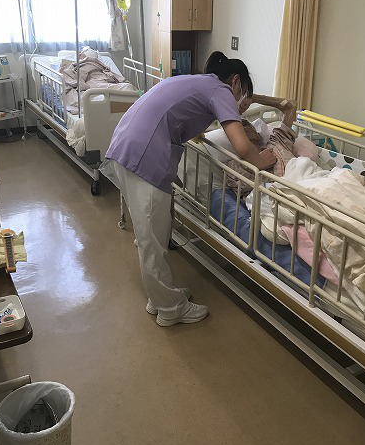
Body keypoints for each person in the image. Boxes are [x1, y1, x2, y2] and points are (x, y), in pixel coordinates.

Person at [101, 51, 276, 327]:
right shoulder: (220, 90)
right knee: (152, 241)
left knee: (152, 235)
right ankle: (170, 309)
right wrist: (263, 161)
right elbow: (243, 147)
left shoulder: (197, 82)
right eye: (242, 93)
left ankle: (160, 296)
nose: (239, 101)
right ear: (235, 81)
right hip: (144, 157)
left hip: (127, 145)